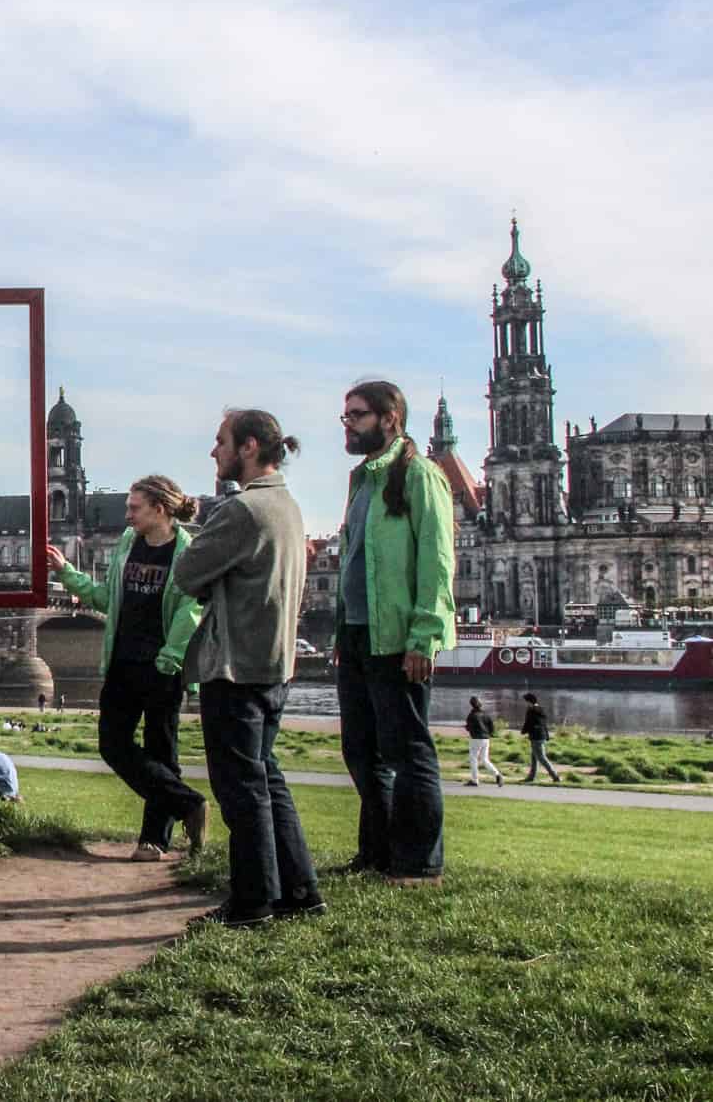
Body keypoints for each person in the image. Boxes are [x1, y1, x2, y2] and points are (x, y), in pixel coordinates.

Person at [172, 408, 321, 928]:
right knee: (267, 778)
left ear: (250, 447)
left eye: (221, 442)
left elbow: (187, 574)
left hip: (235, 667)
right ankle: (300, 887)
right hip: (276, 664)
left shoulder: (243, 511)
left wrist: (195, 528)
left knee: (240, 789)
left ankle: (252, 900)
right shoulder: (289, 506)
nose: (214, 451)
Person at [45, 474, 209, 863]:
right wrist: (67, 572)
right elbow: (107, 599)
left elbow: (193, 610)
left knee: (161, 750)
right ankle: (189, 804)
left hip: (162, 665)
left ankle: (154, 840)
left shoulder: (187, 553)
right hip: (121, 660)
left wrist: (171, 657)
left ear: (160, 509)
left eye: (134, 508)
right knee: (112, 744)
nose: (128, 514)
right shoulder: (126, 544)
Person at [333, 380, 457, 886]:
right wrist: (341, 629)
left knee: (408, 751)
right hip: (359, 633)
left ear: (389, 419)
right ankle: (378, 852)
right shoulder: (362, 480)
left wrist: (423, 636)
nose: (348, 425)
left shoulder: (420, 475)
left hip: (397, 635)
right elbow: (353, 562)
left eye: (356, 416)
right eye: (346, 417)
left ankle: (420, 863)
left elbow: (436, 560)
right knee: (361, 751)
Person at [465, 696, 504, 786]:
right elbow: (491, 727)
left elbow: (468, 727)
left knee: (473, 759)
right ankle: (497, 774)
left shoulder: (472, 715)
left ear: (471, 705)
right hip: (486, 739)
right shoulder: (486, 714)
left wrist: (468, 728)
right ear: (480, 704)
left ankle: (475, 780)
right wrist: (488, 734)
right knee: (485, 759)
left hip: (475, 739)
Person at [521, 693, 560, 782]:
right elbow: (543, 724)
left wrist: (523, 731)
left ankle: (555, 776)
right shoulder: (541, 710)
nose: (526, 703)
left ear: (529, 701)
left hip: (536, 737)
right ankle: (531, 777)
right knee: (534, 757)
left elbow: (529, 723)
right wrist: (547, 736)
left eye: (526, 701)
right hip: (542, 736)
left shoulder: (531, 710)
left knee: (541, 758)